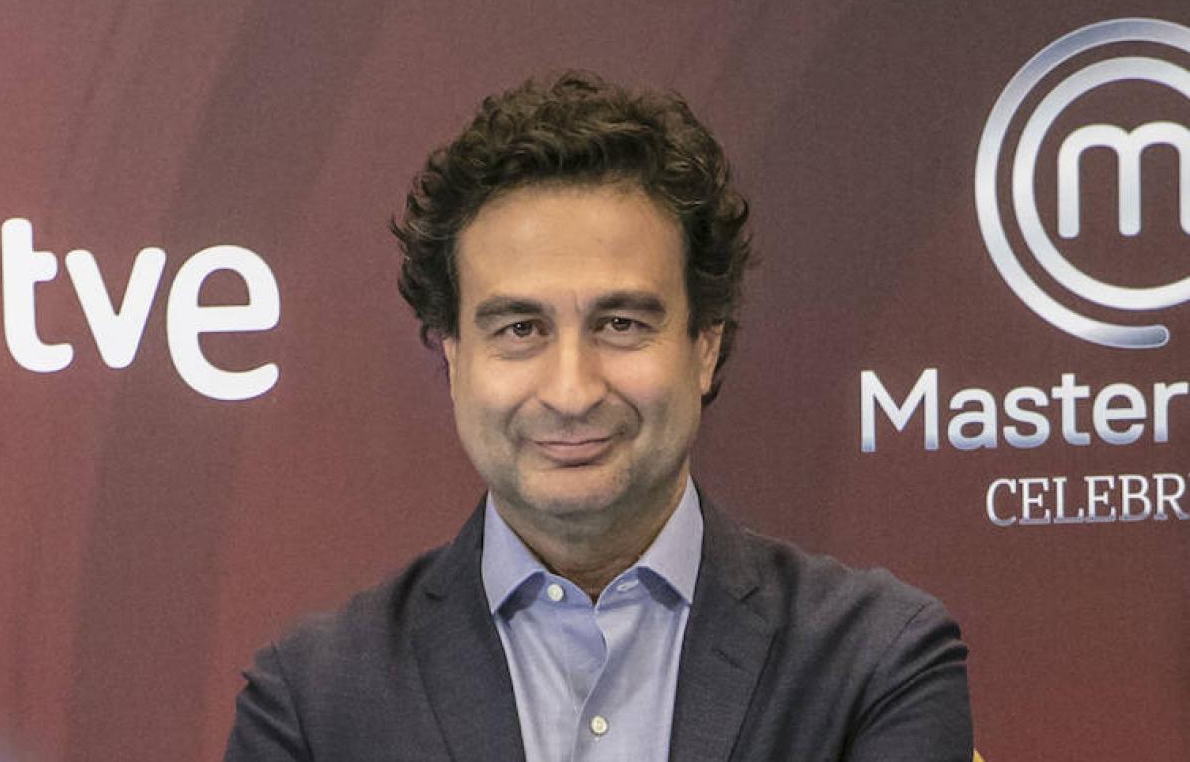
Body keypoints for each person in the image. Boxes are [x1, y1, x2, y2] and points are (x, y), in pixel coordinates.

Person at [224, 71, 973, 762]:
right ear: (454, 359)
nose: (572, 390)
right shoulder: (311, 705)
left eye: (620, 324)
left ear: (705, 346)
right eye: (520, 329)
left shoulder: (877, 661)